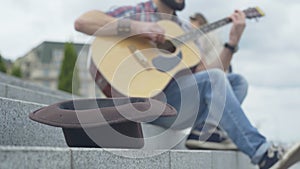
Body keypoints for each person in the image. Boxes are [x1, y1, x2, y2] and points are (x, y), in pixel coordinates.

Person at [74, 0, 298, 168]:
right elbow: (83, 22)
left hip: (170, 104)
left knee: (237, 82)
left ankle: (204, 131)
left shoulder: (186, 31)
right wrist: (137, 27)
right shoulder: (139, 12)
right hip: (136, 99)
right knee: (218, 81)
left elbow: (208, 76)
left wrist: (232, 43)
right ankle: (263, 153)